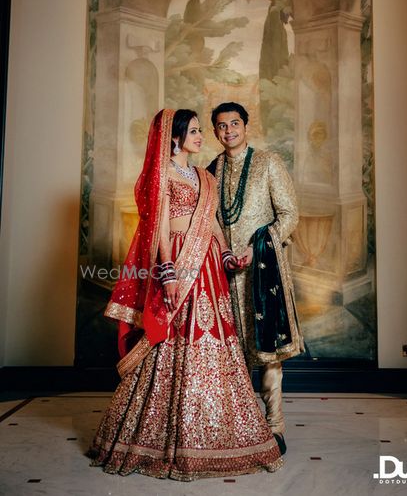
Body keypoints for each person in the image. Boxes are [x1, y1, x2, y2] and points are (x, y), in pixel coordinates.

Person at [88, 108, 282, 481]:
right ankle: (160, 434)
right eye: (193, 131)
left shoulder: (202, 175)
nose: (200, 136)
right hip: (178, 257)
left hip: (207, 261)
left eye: (198, 131)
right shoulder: (162, 175)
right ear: (174, 138)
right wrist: (168, 272)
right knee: (174, 337)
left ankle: (217, 428)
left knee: (214, 338)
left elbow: (210, 222)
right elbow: (158, 227)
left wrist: (224, 252)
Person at [207, 102, 304, 455]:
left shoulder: (268, 162)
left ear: (246, 127)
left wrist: (256, 247)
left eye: (235, 123)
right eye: (221, 125)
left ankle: (275, 425)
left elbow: (290, 213)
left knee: (268, 351)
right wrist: (222, 252)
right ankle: (242, 423)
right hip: (225, 274)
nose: (228, 130)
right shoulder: (210, 171)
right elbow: (211, 221)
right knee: (233, 352)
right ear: (215, 131)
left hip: (263, 271)